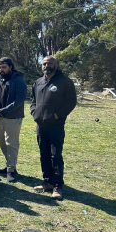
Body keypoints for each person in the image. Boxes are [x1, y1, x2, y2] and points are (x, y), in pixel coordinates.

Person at [31, 56, 77, 200]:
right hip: (41, 125)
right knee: (44, 154)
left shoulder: (64, 81)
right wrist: (34, 113)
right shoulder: (38, 82)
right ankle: (47, 182)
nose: (46, 65)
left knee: (55, 155)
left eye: (50, 63)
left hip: (56, 126)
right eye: (44, 63)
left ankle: (57, 186)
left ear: (56, 64)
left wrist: (57, 115)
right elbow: (33, 101)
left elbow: (71, 102)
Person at [0, 57, 27, 183]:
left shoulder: (18, 80)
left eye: (4, 67)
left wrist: (4, 110)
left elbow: (19, 99)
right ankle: (10, 166)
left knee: (11, 143)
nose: (1, 70)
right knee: (3, 144)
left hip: (12, 118)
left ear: (10, 67)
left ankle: (11, 171)